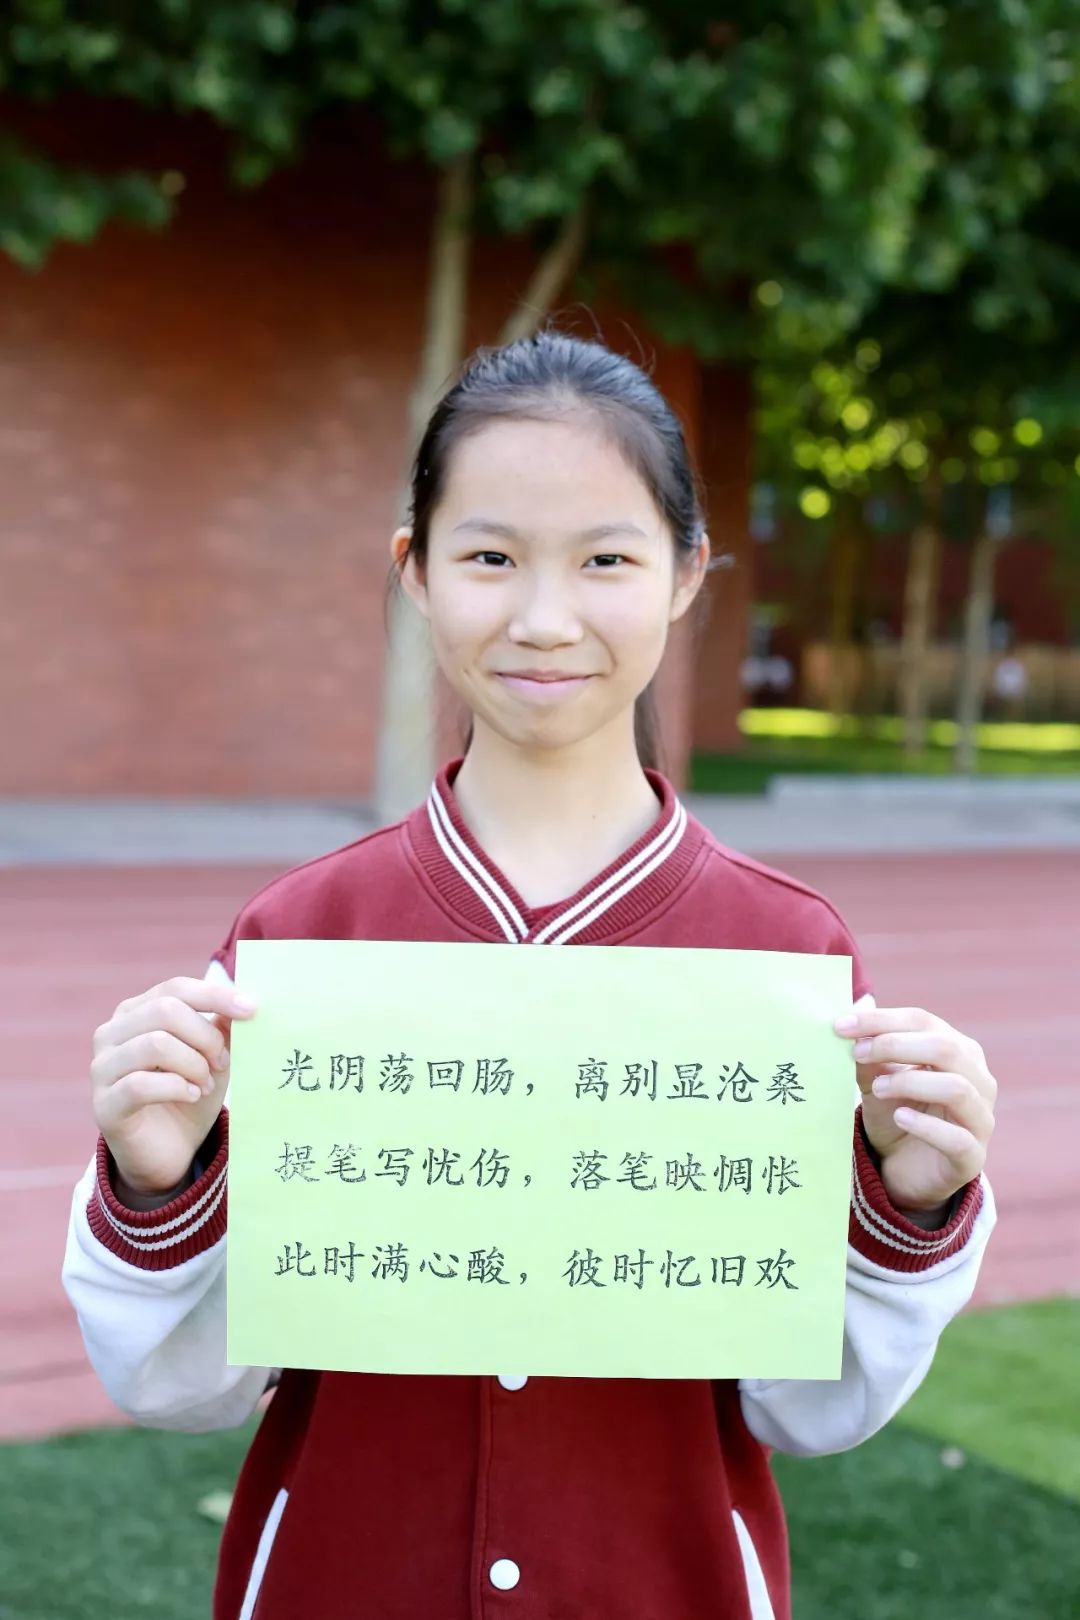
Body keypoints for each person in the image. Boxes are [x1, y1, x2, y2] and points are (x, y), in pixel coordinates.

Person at [62, 330, 997, 1620]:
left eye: (607, 559)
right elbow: (188, 1388)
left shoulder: (785, 953)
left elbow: (807, 1405)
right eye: (491, 557)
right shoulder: (304, 935)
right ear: (416, 571)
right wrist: (160, 1182)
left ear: (688, 574)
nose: (545, 619)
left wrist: (911, 1203)